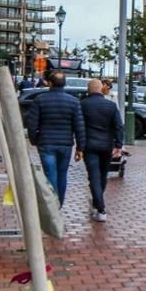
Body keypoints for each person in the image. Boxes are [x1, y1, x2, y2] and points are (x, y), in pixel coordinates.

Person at [23, 69, 83, 206]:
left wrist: (34, 139)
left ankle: (52, 205)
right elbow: (79, 126)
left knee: (50, 174)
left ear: (49, 83)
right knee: (62, 174)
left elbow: (32, 124)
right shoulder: (74, 102)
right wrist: (80, 147)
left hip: (46, 142)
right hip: (65, 144)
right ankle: (58, 204)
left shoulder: (40, 100)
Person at [79, 78, 123, 223]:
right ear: (100, 89)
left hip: (89, 145)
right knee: (103, 175)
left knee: (93, 176)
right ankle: (98, 203)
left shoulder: (83, 104)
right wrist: (118, 144)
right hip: (106, 145)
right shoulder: (111, 106)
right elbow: (118, 126)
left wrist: (79, 146)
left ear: (88, 89)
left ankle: (100, 207)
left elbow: (79, 126)